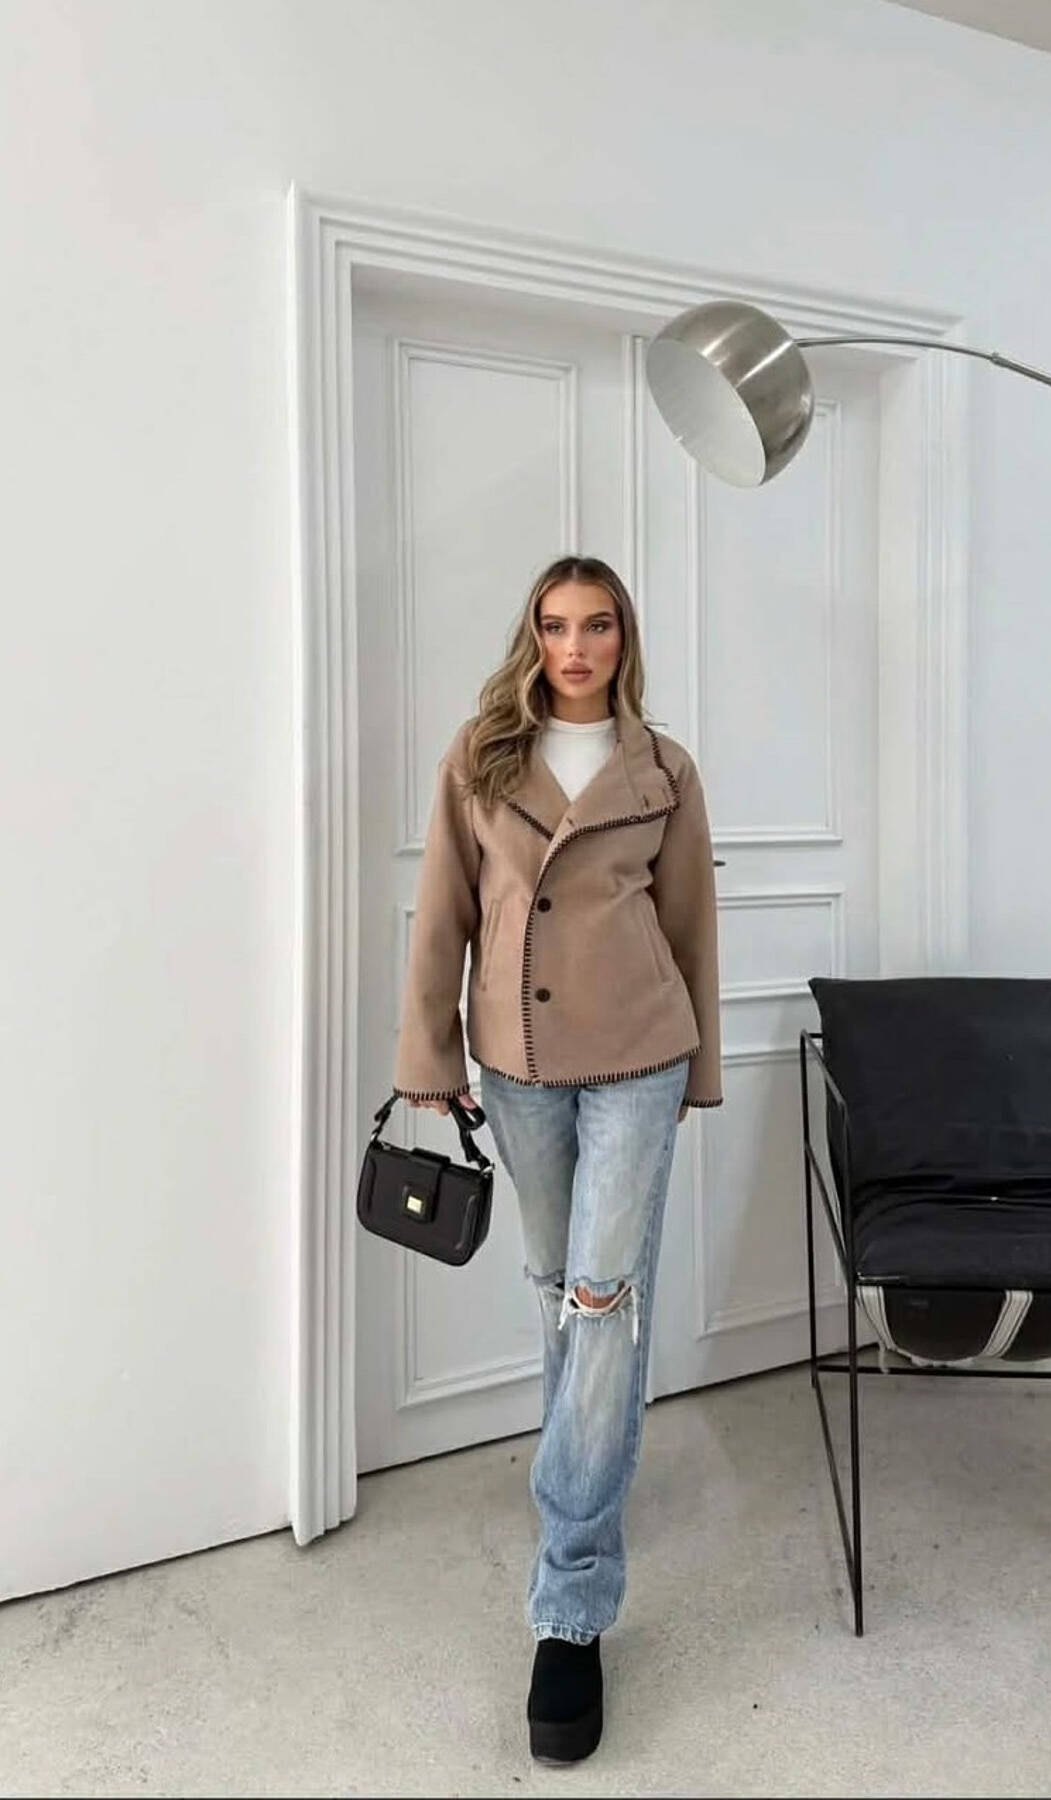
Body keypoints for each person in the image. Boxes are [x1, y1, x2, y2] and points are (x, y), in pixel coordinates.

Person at [392, 552, 722, 1765]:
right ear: (532, 638)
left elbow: (689, 927)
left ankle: (570, 1601)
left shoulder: (664, 770)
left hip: (638, 1056)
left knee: (601, 1297)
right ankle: (583, 1477)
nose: (575, 648)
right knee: (557, 1295)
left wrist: (697, 1073)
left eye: (597, 626)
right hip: (518, 1064)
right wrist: (428, 1054)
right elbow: (443, 915)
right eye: (554, 625)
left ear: (625, 639)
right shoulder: (482, 756)